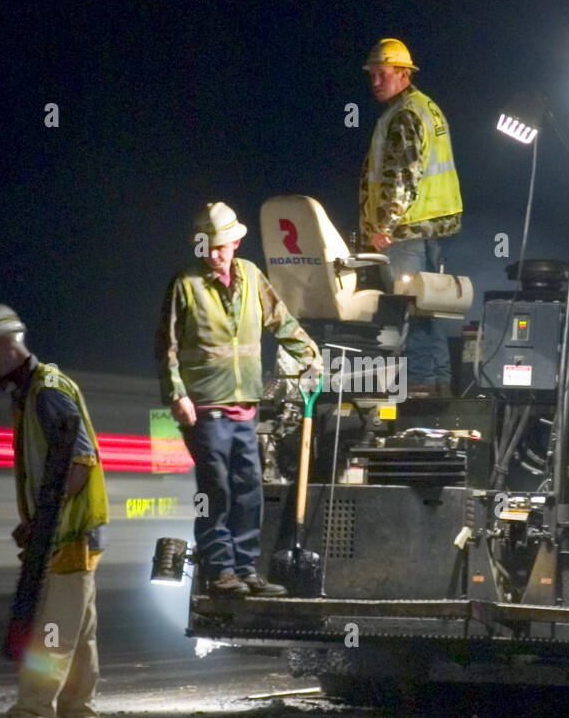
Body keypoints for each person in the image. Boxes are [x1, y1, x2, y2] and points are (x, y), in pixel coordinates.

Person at [0, 303, 108, 718]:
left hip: (66, 539)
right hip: (74, 536)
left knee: (50, 642)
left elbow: (78, 464)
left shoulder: (45, 393)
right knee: (78, 644)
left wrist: (45, 522)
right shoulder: (34, 393)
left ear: (4, 345)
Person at [156, 202, 322, 597]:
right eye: (207, 247)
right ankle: (220, 572)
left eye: (220, 246)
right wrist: (177, 395)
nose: (213, 254)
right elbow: (167, 349)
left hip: (244, 406)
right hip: (204, 409)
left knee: (249, 488)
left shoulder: (251, 277)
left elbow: (280, 320)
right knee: (215, 490)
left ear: (236, 241)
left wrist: (311, 357)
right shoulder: (186, 284)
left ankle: (246, 569)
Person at [359, 37, 463, 397]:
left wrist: (384, 225)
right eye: (371, 75)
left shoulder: (404, 115)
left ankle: (419, 391)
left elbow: (403, 174)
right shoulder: (425, 108)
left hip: (408, 230)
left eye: (381, 74)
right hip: (433, 226)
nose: (375, 82)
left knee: (411, 309)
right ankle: (437, 388)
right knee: (429, 310)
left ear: (403, 74)